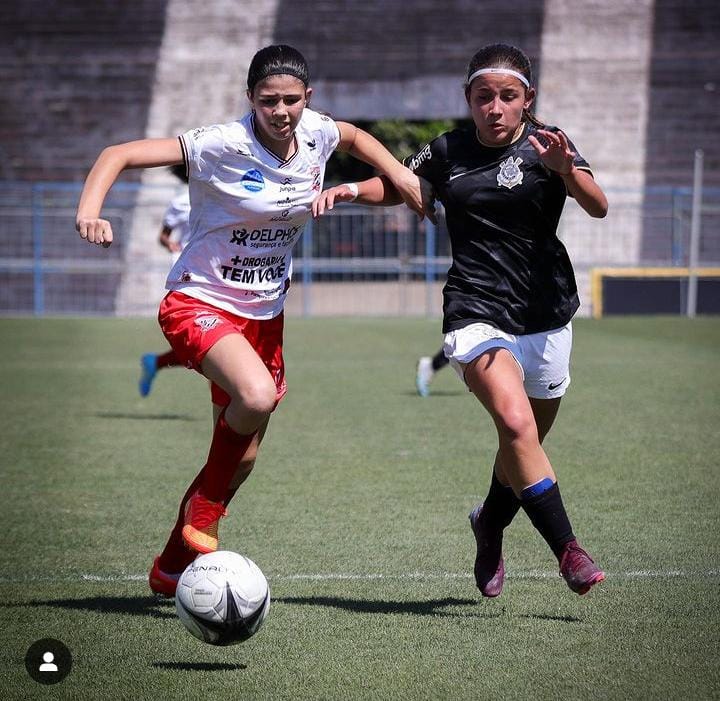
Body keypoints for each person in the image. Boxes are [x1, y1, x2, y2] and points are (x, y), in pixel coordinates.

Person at [76, 44, 424, 597]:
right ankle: (207, 511)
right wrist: (90, 212)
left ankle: (170, 565)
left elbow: (354, 136)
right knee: (257, 396)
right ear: (250, 100)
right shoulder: (220, 144)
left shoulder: (318, 133)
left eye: (291, 100)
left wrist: (399, 176)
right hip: (200, 301)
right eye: (269, 101)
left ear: (308, 99)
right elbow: (117, 153)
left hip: (266, 316)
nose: (281, 111)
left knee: (244, 457)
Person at [313, 43, 608, 597]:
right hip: (474, 308)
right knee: (517, 427)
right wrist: (350, 188)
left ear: (527, 100)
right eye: (483, 97)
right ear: (469, 100)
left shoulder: (551, 143)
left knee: (522, 446)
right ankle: (569, 550)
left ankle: (490, 522)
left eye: (507, 96)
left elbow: (598, 205)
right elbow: (406, 186)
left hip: (546, 311)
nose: (494, 107)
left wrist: (566, 170)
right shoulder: (448, 149)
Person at [139, 164, 191, 397]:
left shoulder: (221, 194)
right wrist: (169, 244)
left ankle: (156, 363)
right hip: (189, 275)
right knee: (211, 347)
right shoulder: (181, 202)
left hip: (219, 274)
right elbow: (164, 235)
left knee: (207, 348)